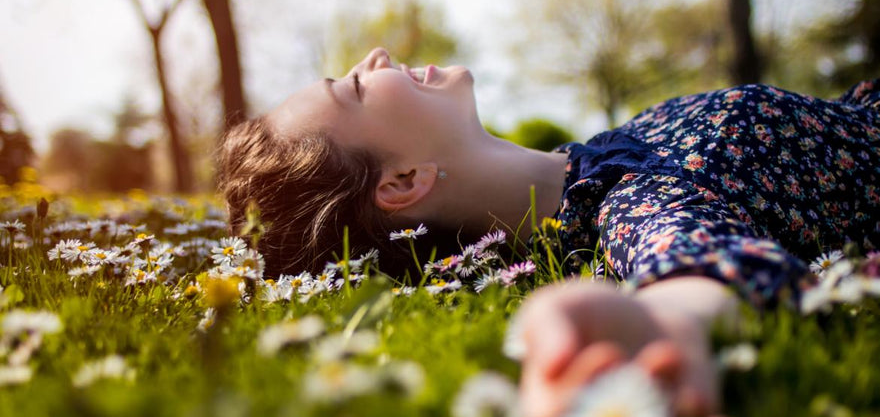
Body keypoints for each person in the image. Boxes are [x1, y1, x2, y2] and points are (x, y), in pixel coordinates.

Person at [216, 47, 880, 416]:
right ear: (401, 182)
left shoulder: (598, 156)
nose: (377, 55)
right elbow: (694, 268)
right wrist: (658, 331)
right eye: (355, 88)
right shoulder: (626, 206)